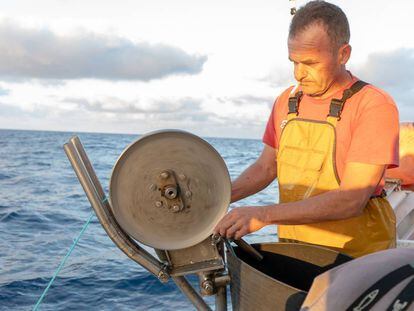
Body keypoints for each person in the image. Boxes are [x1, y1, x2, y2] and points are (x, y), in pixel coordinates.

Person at [214, 0, 399, 258]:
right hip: (296, 249)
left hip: (357, 256)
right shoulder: (288, 101)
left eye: (310, 63)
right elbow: (267, 167)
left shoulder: (373, 105)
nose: (299, 74)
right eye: (294, 61)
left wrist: (263, 214)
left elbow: (351, 200)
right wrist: (215, 199)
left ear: (343, 54)